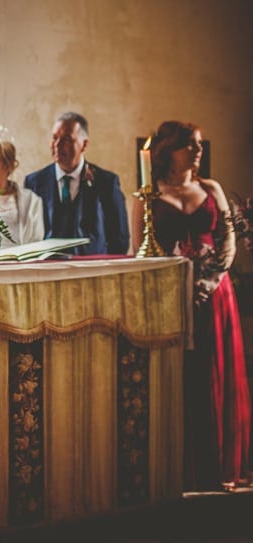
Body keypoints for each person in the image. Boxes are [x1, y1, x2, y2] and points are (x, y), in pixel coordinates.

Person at [138, 121, 249, 491]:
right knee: (182, 377)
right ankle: (182, 467)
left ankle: (219, 465)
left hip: (214, 295)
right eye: (189, 144)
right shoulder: (148, 196)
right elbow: (138, 249)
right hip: (169, 298)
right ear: (168, 150)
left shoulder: (211, 188)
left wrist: (208, 281)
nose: (197, 151)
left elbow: (227, 242)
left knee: (216, 370)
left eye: (199, 144)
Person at [23, 112, 129, 255]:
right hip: (46, 271)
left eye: (66, 139)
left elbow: (120, 239)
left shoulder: (106, 182)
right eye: (54, 138)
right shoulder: (34, 183)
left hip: (93, 271)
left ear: (84, 144)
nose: (57, 145)